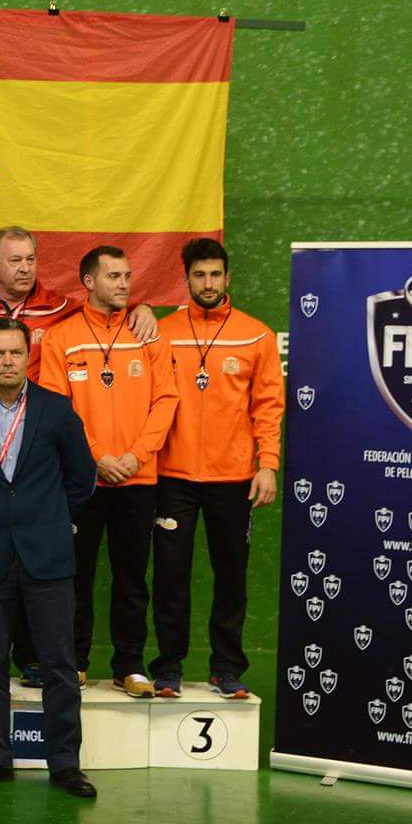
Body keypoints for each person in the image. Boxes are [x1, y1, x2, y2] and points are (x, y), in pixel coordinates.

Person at [0, 318, 98, 799]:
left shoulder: (57, 410)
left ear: (28, 356)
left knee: (58, 662)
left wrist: (50, 517)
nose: (8, 361)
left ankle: (65, 763)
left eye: (16, 353)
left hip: (47, 554)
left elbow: (82, 478)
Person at [38, 246, 177, 698]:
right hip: (83, 479)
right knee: (75, 574)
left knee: (132, 577)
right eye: (113, 275)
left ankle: (129, 665)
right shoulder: (62, 338)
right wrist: (96, 457)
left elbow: (166, 400)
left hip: (138, 478)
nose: (124, 283)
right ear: (88, 282)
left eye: (127, 275)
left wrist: (137, 455)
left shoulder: (148, 335)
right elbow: (58, 409)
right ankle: (74, 660)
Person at [151, 238, 282, 700]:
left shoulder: (256, 336)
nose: (208, 283)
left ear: (228, 278)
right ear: (185, 279)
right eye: (199, 275)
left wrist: (267, 464)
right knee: (169, 576)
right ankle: (168, 666)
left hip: (233, 479)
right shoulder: (163, 334)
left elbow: (268, 405)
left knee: (231, 576)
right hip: (173, 476)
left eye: (215, 274)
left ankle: (226, 667)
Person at [0, 225, 160, 393]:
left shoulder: (58, 307)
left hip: (31, 422)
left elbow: (101, 305)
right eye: (16, 261)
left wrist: (141, 307)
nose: (25, 268)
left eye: (31, 260)